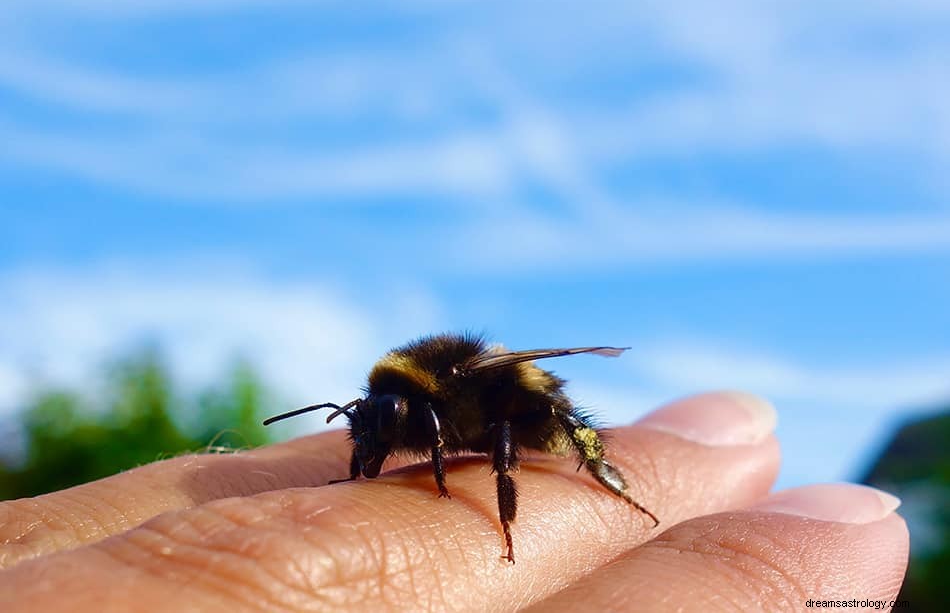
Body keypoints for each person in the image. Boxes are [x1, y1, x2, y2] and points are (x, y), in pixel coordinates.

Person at [0, 391, 907, 611]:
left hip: (531, 417)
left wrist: (501, 520)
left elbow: (501, 419)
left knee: (553, 429)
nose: (376, 433)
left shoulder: (462, 398)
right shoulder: (404, 404)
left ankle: (605, 479)